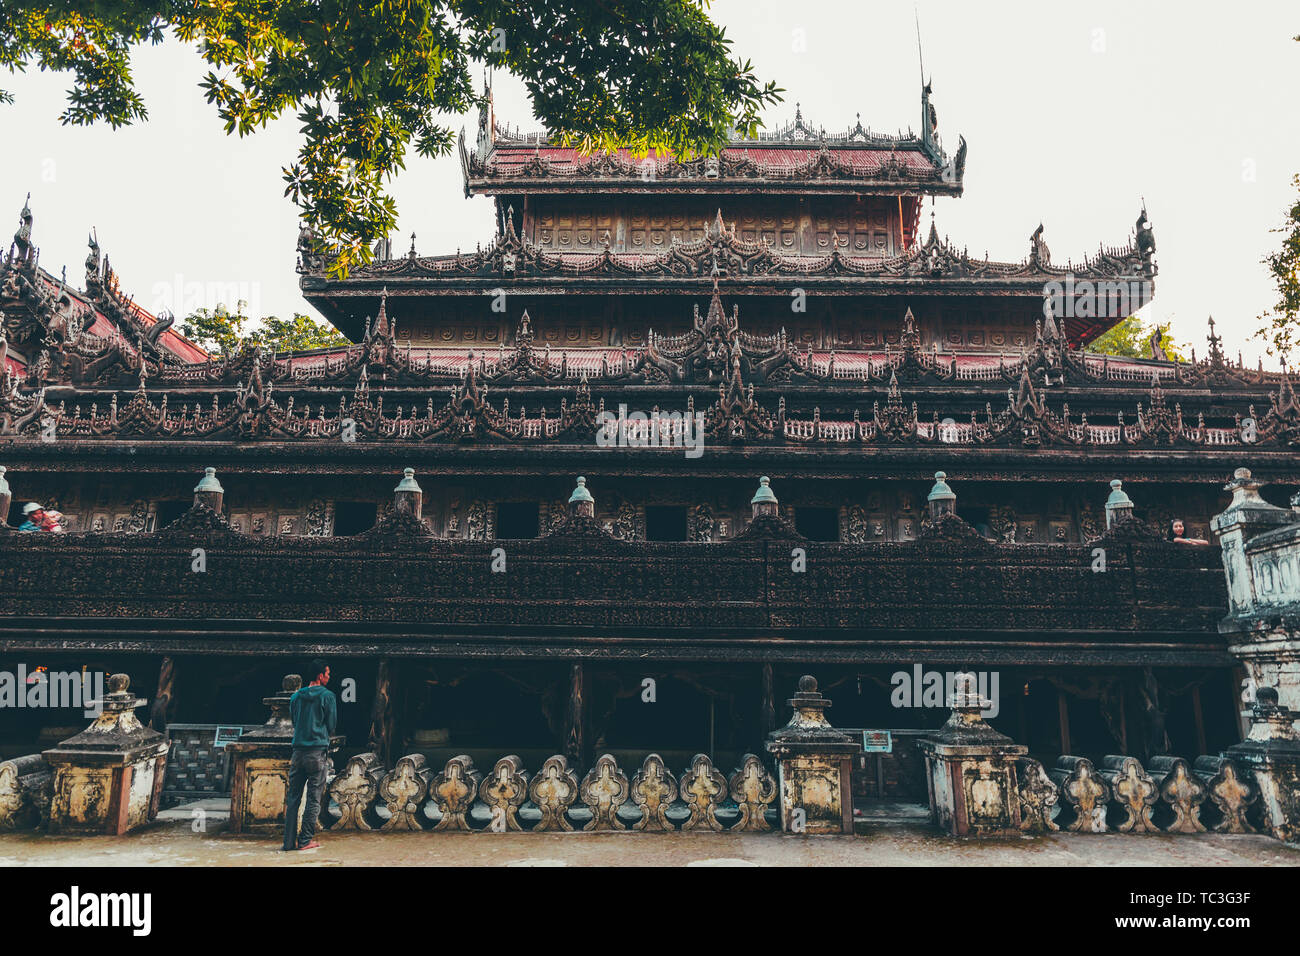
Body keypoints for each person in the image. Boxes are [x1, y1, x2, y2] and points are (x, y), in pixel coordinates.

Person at [282, 659, 337, 852]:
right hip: (316, 752)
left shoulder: (296, 697)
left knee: (293, 798)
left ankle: (288, 843)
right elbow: (331, 725)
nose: (329, 677)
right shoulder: (327, 696)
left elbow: (295, 721)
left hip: (297, 753)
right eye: (328, 674)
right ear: (320, 675)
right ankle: (305, 840)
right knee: (313, 799)